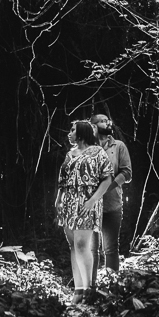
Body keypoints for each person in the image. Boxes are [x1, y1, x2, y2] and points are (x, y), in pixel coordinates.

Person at [55, 120, 113, 304]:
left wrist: (93, 200)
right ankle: (78, 290)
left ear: (81, 133)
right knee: (73, 245)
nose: (69, 133)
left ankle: (89, 290)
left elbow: (107, 179)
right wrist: (59, 200)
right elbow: (63, 181)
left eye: (72, 130)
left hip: (87, 201)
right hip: (69, 202)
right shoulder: (69, 154)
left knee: (82, 244)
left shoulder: (97, 152)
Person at [90, 114, 132, 285]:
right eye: (102, 121)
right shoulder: (87, 147)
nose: (108, 123)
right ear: (93, 126)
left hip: (112, 205)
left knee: (111, 248)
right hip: (90, 207)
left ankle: (112, 285)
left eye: (108, 120)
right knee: (92, 250)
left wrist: (108, 187)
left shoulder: (119, 146)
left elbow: (127, 173)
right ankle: (90, 287)